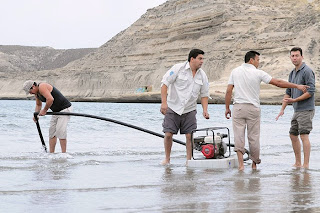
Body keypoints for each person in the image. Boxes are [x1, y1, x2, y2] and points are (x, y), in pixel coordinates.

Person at [225, 50, 308, 171]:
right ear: (251, 60)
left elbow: (228, 91)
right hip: (253, 108)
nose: (258, 63)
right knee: (253, 136)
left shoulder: (235, 71)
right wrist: (296, 86)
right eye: (258, 60)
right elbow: (278, 83)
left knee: (238, 136)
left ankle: (241, 165)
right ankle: (254, 165)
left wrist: (227, 108)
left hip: (239, 107)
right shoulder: (258, 73)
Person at [160, 49, 210, 165]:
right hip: (173, 107)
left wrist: (205, 110)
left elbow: (204, 95)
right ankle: (167, 159)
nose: (202, 61)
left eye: (203, 59)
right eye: (200, 58)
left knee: (189, 135)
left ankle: (189, 160)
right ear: (192, 59)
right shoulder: (178, 68)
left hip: (190, 109)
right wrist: (164, 103)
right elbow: (164, 84)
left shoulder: (202, 75)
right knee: (168, 134)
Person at [276, 47, 315, 169]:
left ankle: (306, 164)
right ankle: (298, 163)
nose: (294, 58)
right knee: (293, 135)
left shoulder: (307, 71)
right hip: (296, 110)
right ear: (290, 58)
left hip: (306, 109)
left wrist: (295, 100)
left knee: (304, 135)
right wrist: (282, 109)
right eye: (292, 56)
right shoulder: (292, 73)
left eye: (297, 55)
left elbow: (311, 91)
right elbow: (288, 92)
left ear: (302, 57)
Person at [23, 80, 72, 153]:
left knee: (60, 131)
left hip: (65, 109)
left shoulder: (42, 86)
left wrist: (45, 110)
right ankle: (51, 154)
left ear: (33, 86)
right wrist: (36, 114)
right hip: (55, 112)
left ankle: (64, 154)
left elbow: (50, 99)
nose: (30, 93)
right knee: (52, 132)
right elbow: (38, 105)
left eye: (30, 91)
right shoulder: (37, 94)